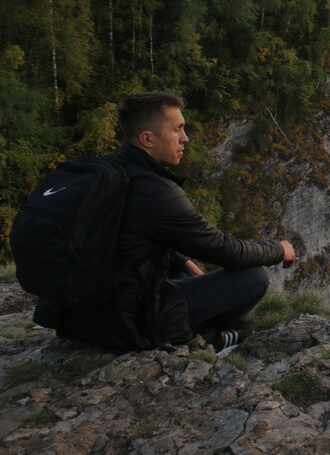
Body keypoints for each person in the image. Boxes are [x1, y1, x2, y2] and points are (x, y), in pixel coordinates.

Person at [33, 92, 297, 351]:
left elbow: (123, 239)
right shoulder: (156, 192)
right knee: (253, 278)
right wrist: (279, 249)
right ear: (148, 138)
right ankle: (205, 336)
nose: (186, 138)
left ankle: (195, 326)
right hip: (125, 325)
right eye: (177, 129)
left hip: (77, 317)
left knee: (178, 270)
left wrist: (183, 261)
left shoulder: (105, 173)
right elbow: (224, 250)